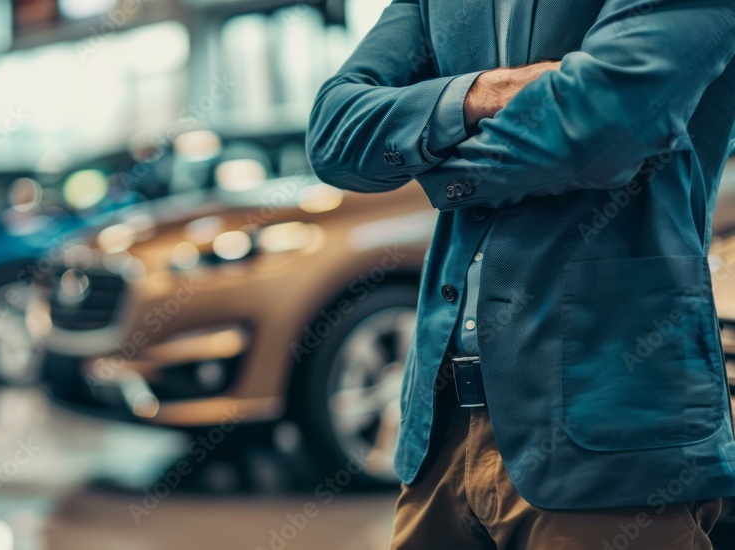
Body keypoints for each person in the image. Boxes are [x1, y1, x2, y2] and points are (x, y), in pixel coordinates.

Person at [308, 1, 735, 548]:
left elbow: (602, 124)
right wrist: (485, 92)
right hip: (440, 435)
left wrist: (431, 153)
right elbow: (332, 131)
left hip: (609, 435)